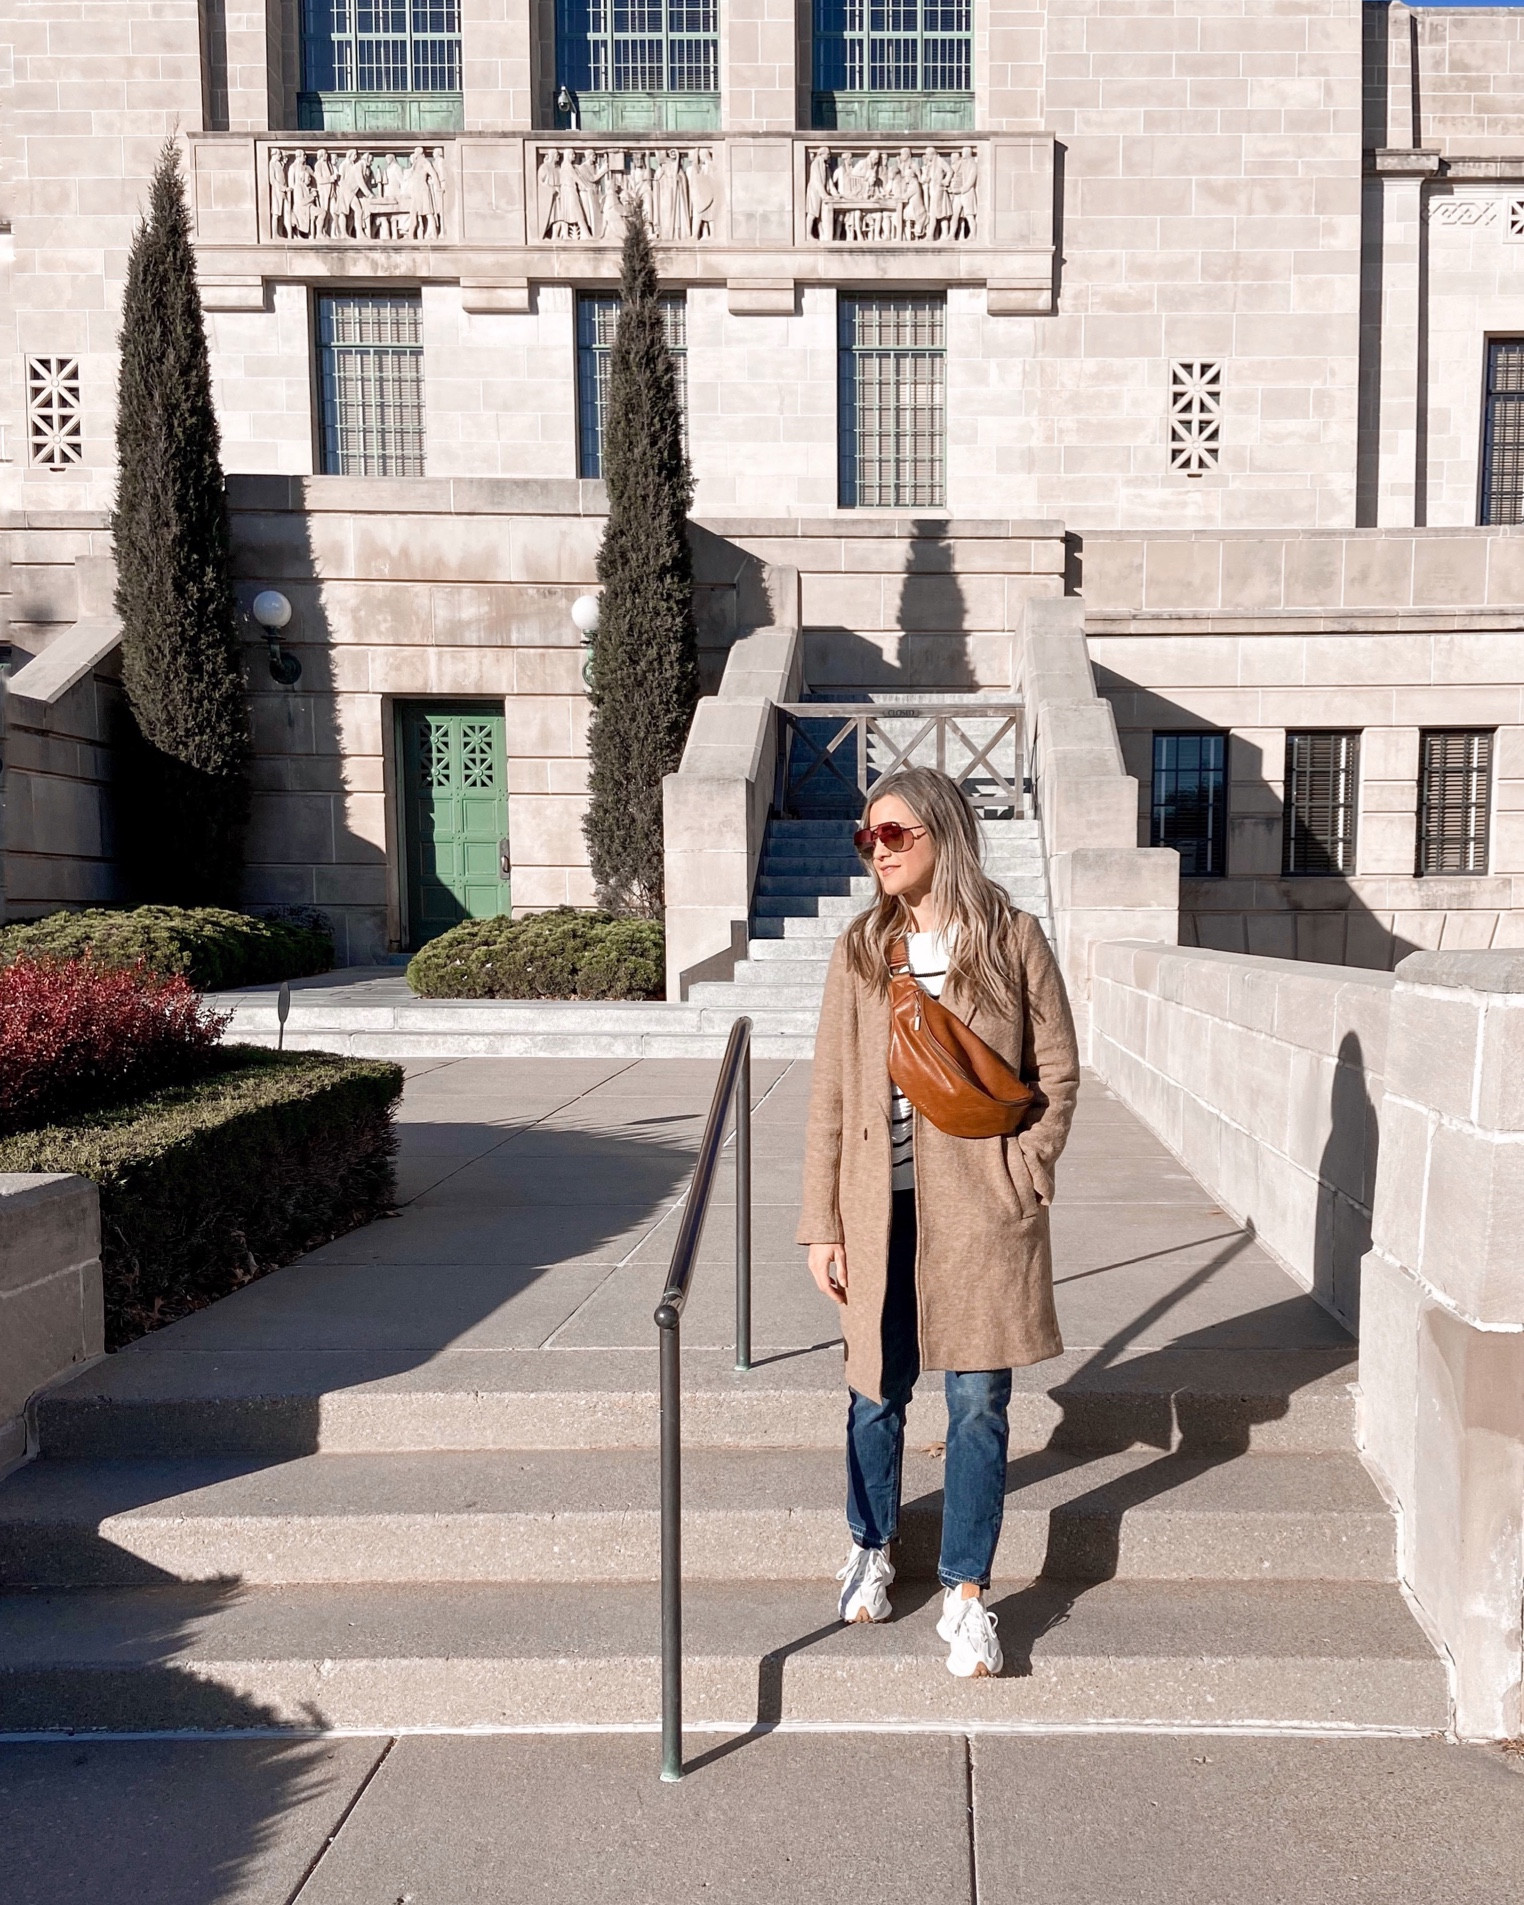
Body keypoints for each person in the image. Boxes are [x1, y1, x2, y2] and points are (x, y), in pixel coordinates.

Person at [797, 766, 1079, 1678]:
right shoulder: (859, 949)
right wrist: (822, 1222)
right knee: (874, 1389)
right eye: (866, 837)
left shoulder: (1011, 938)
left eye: (894, 834)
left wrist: (1023, 1173)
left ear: (943, 835)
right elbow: (832, 1095)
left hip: (982, 1212)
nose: (876, 850)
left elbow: (1058, 1072)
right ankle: (871, 1545)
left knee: (976, 1401)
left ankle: (966, 1592)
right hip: (879, 1211)